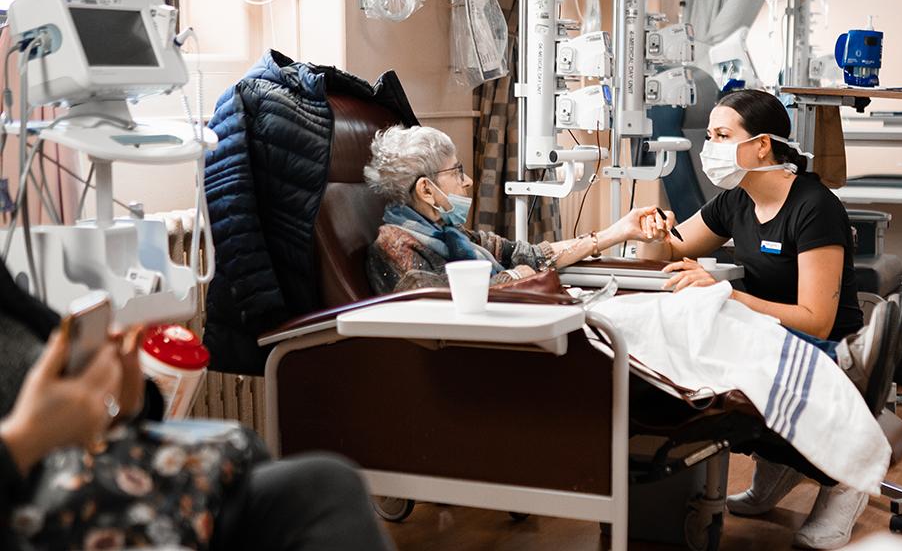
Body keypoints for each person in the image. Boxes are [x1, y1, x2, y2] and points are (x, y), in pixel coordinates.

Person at [634, 89, 879, 549]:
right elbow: (671, 249)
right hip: (768, 338)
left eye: (723, 136)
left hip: (825, 354)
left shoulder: (813, 206)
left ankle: (844, 477)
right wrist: (651, 230)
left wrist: (726, 292)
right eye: (709, 136)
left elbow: (817, 321)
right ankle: (779, 463)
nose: (711, 148)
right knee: (693, 383)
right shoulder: (736, 200)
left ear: (761, 145)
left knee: (720, 385)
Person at [0, 265, 395, 550]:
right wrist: (26, 438)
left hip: (84, 465)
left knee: (323, 485)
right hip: (30, 499)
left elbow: (66, 355)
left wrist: (128, 395)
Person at [363, 125, 664, 295]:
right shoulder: (396, 248)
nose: (468, 181)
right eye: (457, 171)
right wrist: (516, 277)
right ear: (426, 189)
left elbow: (529, 255)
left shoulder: (450, 234)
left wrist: (618, 231)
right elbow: (443, 302)